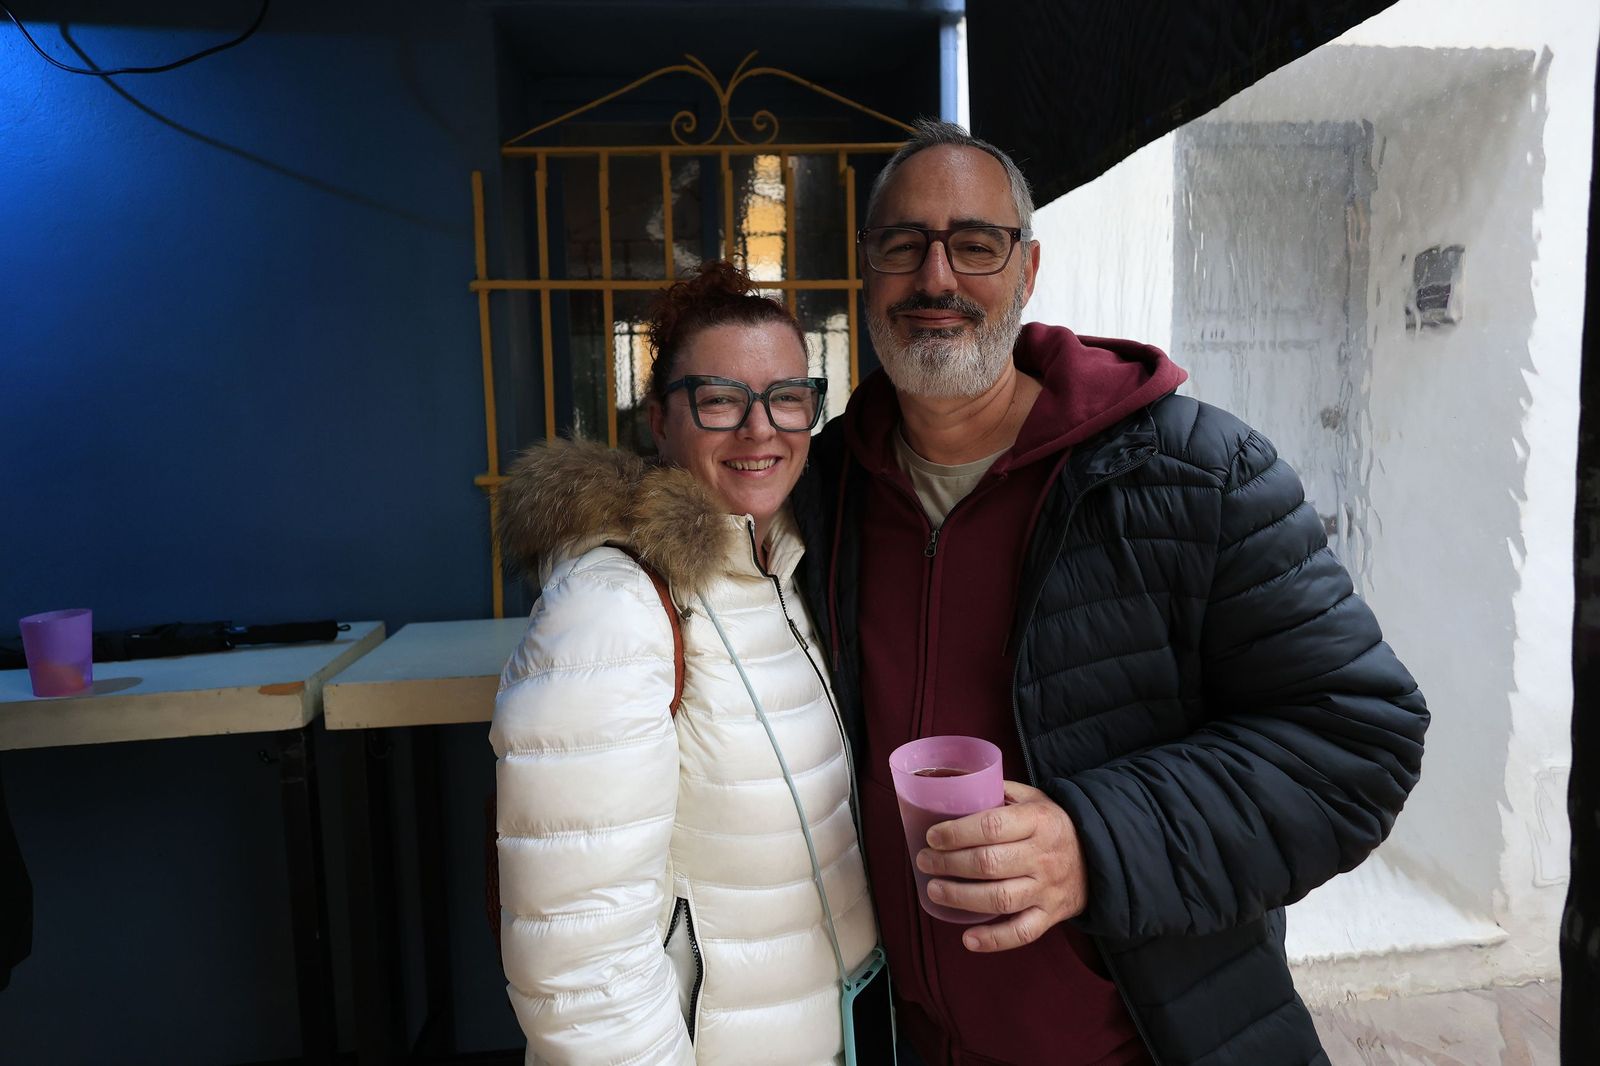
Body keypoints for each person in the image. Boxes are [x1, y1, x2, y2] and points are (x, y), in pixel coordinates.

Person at [790, 119, 1430, 1066]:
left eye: (976, 244)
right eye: (901, 244)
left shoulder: (1195, 474)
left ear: (1029, 270)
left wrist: (1095, 841)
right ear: (867, 269)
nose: (936, 278)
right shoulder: (828, 487)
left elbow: (1358, 740)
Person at [490, 261, 879, 1064]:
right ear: (660, 421)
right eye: (719, 398)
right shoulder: (614, 608)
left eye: (787, 397)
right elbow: (580, 965)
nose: (760, 427)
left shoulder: (786, 572)